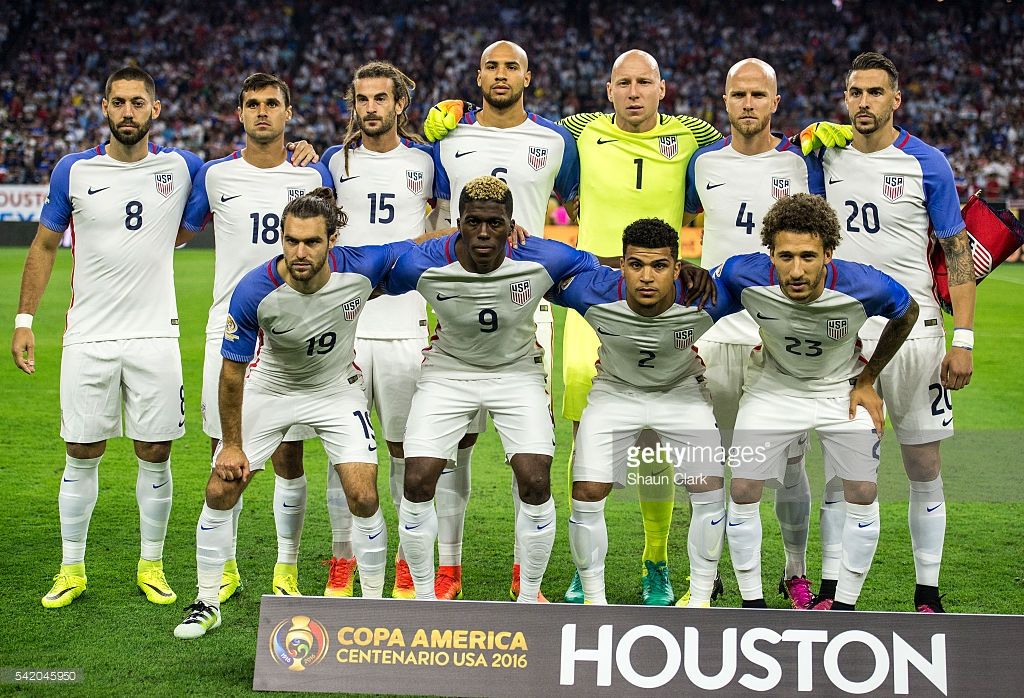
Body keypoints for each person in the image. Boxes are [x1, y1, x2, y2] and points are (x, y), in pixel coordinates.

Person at [173, 189, 417, 639]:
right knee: (220, 489)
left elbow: (424, 248)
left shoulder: (359, 267)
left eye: (311, 242)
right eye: (291, 241)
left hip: (336, 390)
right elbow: (231, 376)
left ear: (332, 240)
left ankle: (372, 607)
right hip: (272, 388)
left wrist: (469, 233)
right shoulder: (255, 290)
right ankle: (206, 602)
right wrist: (230, 444)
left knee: (363, 495)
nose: (299, 252)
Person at [12, 66, 201, 609]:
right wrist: (25, 322)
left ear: (154, 110)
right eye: (118, 102)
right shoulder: (73, 170)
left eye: (137, 103)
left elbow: (217, 198)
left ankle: (153, 564)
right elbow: (45, 246)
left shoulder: (183, 167)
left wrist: (304, 152)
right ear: (103, 107)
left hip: (155, 335)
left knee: (156, 450)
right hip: (88, 336)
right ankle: (71, 567)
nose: (127, 112)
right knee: (81, 450)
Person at [383, 175, 601, 603]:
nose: (484, 234)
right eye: (474, 222)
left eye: (495, 224)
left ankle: (529, 600)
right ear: (458, 222)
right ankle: (425, 600)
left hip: (517, 371)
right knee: (417, 478)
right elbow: (366, 268)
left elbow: (603, 271)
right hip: (449, 371)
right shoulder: (423, 260)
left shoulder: (541, 257)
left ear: (511, 224)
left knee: (536, 480)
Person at [810, 52, 976, 612]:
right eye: (854, 92)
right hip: (851, 335)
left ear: (895, 99)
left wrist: (965, 339)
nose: (863, 103)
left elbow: (958, 255)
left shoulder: (928, 163)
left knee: (923, 465)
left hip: (919, 333)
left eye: (875, 93)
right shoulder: (825, 155)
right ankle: (834, 590)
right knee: (843, 469)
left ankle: (927, 590)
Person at [429, 40, 580, 601]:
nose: (500, 74)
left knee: (529, 455)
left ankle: (527, 574)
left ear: (528, 75)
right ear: (477, 75)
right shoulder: (450, 136)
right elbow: (435, 208)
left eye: (510, 65)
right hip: (454, 306)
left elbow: (577, 204)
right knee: (453, 448)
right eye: (490, 65)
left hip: (528, 307)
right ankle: (448, 568)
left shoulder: (555, 139)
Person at [718, 193, 919, 610]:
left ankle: (844, 607)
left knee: (862, 490)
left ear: (829, 252)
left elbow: (908, 312)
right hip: (772, 387)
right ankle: (752, 605)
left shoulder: (865, 284)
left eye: (808, 256)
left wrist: (868, 379)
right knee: (742, 487)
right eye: (784, 256)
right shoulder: (743, 273)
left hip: (840, 390)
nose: (795, 270)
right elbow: (700, 290)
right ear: (769, 253)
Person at [178, 72, 331, 603]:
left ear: (289, 113)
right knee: (224, 451)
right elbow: (176, 232)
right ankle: (226, 565)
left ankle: (285, 567)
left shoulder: (314, 173)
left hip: (293, 331)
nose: (262, 112)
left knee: (290, 455)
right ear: (239, 114)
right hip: (228, 327)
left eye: (272, 104)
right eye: (252, 104)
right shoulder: (215, 175)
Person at [682, 58, 825, 609]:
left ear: (775, 103)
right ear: (725, 101)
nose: (747, 104)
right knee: (707, 458)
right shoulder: (702, 163)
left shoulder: (802, 163)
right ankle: (710, 569)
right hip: (717, 333)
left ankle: (794, 570)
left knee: (788, 462)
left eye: (757, 95)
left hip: (781, 333)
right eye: (738, 94)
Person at [548, 218, 730, 606]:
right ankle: (593, 601)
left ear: (678, 268)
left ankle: (699, 600)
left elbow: (768, 276)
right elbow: (538, 263)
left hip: (682, 393)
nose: (647, 277)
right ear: (622, 264)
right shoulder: (591, 291)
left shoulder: (707, 296)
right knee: (587, 489)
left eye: (660, 266)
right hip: (615, 393)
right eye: (636, 265)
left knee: (709, 490)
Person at [319, 61, 437, 600]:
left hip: (406, 325)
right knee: (343, 455)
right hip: (345, 326)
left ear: (398, 105)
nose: (370, 108)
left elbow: (448, 225)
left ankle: (408, 564)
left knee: (403, 453)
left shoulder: (426, 161)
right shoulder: (332, 163)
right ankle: (342, 560)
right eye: (361, 99)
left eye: (379, 99)